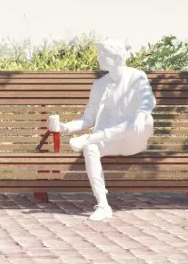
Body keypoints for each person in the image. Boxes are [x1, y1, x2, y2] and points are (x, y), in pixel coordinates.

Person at [48, 38, 156, 222]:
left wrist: (141, 113)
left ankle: (91, 138)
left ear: (116, 57)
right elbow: (88, 118)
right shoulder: (99, 85)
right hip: (112, 141)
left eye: (102, 54)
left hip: (134, 139)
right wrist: (65, 128)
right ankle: (103, 204)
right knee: (91, 148)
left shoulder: (137, 76)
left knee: (145, 120)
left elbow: (148, 99)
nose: (99, 58)